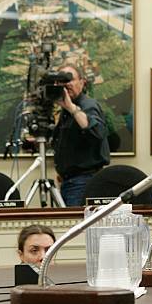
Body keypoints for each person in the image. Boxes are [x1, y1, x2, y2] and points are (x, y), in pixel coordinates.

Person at [52, 63, 110, 206]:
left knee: (75, 225)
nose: (65, 85)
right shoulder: (65, 109)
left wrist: (72, 108)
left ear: (82, 82)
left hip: (83, 182)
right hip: (69, 182)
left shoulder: (88, 105)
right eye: (61, 81)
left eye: (69, 79)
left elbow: (97, 132)